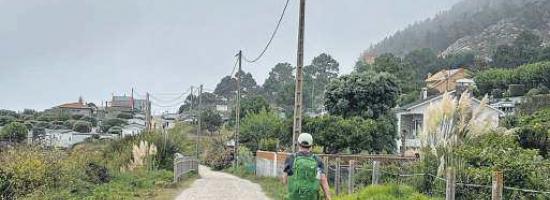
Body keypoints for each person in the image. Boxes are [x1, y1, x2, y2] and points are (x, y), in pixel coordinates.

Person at [282, 133, 331, 200]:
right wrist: (328, 196)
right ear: (311, 145)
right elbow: (323, 179)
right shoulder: (318, 160)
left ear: (298, 143)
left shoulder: (291, 158)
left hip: (294, 197)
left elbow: (284, 180)